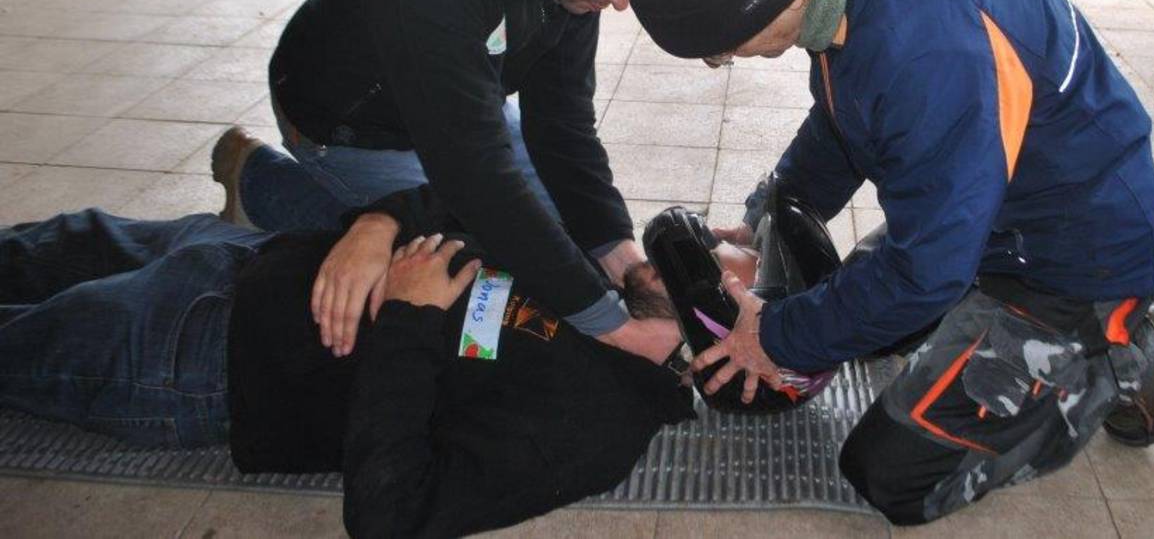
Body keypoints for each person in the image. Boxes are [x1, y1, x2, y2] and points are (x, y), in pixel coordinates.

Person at [626, 0, 1154, 524]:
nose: (724, 61)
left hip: (1073, 260)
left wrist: (775, 336)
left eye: (720, 52)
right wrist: (767, 213)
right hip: (986, 216)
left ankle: (1136, 350)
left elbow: (926, 270)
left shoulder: (927, 46)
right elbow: (845, 116)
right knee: (859, 313)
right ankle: (974, 316)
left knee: (892, 473)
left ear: (756, 6)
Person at [212, 0, 678, 367]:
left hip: (453, 98)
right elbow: (476, 178)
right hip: (349, 123)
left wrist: (617, 252)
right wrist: (616, 331)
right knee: (461, 269)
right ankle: (260, 182)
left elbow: (562, 125)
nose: (621, 2)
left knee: (562, 255)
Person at [0, 187, 703, 538]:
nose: (711, 241)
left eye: (728, 262)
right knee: (48, 243)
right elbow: (468, 188)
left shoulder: (594, 429)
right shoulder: (597, 283)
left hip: (200, 358)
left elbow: (388, 513)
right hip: (243, 253)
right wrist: (377, 224)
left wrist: (410, 317)